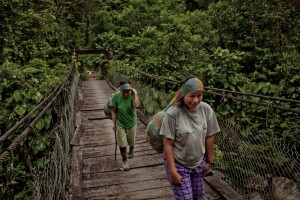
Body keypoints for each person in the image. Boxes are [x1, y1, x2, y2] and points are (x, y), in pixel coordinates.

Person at [159, 77, 220, 200]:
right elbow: (168, 144)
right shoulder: (172, 114)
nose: (196, 100)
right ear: (182, 95)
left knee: (199, 196)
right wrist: (173, 172)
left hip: (198, 163)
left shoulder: (206, 109)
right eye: (191, 96)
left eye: (199, 96)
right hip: (179, 163)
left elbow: (210, 136)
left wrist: (209, 162)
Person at [110, 80, 140, 171]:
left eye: (128, 91)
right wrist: (114, 124)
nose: (126, 93)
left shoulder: (132, 95)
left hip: (131, 122)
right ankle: (125, 162)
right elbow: (113, 111)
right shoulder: (116, 96)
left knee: (131, 141)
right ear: (120, 89)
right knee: (122, 143)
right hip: (120, 123)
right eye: (124, 91)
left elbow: (137, 105)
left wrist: (135, 94)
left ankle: (131, 148)